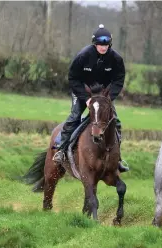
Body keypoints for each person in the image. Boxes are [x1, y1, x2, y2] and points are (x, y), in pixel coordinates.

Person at [52, 24, 129, 173]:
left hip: (103, 96)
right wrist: (85, 98)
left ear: (110, 44)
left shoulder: (116, 59)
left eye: (106, 44)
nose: (103, 47)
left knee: (116, 121)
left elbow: (119, 80)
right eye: (100, 44)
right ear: (95, 44)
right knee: (75, 116)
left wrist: (109, 98)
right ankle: (60, 150)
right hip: (82, 91)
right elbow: (73, 78)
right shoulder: (83, 56)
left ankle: (117, 157)